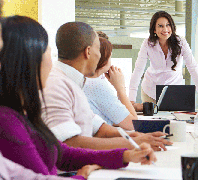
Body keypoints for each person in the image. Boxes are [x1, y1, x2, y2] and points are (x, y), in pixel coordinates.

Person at [0, 15, 156, 180]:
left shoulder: (22, 112)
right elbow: (52, 164)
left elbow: (63, 152)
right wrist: (81, 176)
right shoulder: (9, 119)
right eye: (47, 50)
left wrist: (126, 154)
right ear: (31, 59)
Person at [41, 21, 172, 151]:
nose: (100, 57)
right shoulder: (56, 84)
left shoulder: (76, 81)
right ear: (88, 52)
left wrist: (137, 137)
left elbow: (98, 128)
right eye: (98, 49)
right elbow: (69, 143)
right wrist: (133, 143)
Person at [129, 11, 198, 105]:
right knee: (152, 119)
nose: (165, 29)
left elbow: (194, 69)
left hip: (173, 91)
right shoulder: (148, 44)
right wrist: (131, 100)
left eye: (168, 25)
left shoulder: (181, 42)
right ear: (154, 29)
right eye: (160, 26)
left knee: (174, 119)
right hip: (150, 91)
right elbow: (138, 70)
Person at [84, 37, 136, 130]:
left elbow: (115, 117)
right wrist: (120, 89)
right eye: (110, 56)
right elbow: (133, 124)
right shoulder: (96, 85)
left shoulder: (85, 80)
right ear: (104, 59)